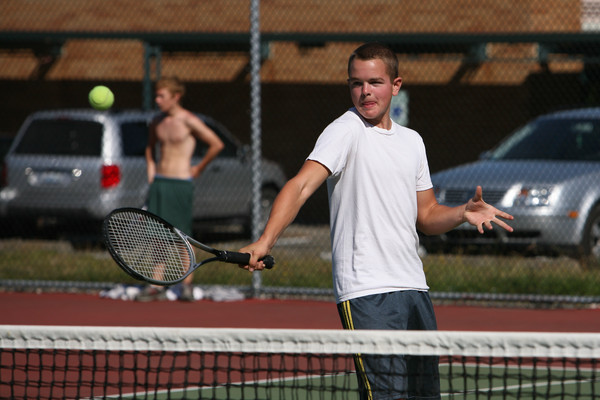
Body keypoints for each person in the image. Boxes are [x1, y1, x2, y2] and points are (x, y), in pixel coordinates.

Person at [239, 42, 514, 399]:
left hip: (414, 288)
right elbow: (301, 185)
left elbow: (427, 215)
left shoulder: (412, 141)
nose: (365, 91)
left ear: (395, 85)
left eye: (374, 82)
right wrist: (266, 240)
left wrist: (461, 213)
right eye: (356, 83)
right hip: (366, 291)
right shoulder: (345, 130)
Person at [137, 76, 224, 302]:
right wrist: (151, 171)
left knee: (181, 237)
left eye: (161, 96)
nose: (157, 100)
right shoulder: (157, 121)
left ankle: (186, 284)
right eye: (156, 95)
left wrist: (198, 168)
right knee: (158, 238)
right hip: (160, 183)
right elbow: (149, 149)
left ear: (176, 97)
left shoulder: (189, 120)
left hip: (180, 183)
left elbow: (216, 144)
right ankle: (157, 284)